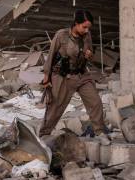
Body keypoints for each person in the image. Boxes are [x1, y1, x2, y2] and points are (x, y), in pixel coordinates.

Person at [39, 9, 105, 137]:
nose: (86, 30)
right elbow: (50, 57)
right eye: (84, 27)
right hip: (63, 77)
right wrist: (46, 79)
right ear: (76, 23)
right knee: (55, 108)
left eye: (88, 28)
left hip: (82, 75)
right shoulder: (61, 35)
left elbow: (90, 54)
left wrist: (89, 55)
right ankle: (43, 135)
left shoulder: (87, 35)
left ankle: (100, 132)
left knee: (95, 102)